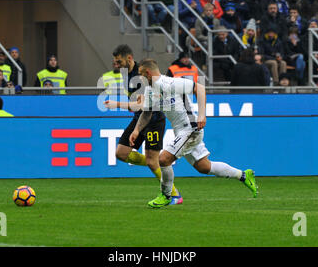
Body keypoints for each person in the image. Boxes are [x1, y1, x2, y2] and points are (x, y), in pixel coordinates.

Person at [129, 58, 257, 208]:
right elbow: (147, 113)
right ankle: (242, 175)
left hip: (190, 129)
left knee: (163, 159)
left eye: (141, 74)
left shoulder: (169, 83)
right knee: (204, 167)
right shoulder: (151, 90)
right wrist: (136, 130)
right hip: (181, 131)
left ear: (148, 73)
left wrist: (202, 115)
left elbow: (200, 88)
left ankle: (167, 195)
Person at [103, 44, 183, 205]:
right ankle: (151, 163)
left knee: (153, 161)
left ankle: (174, 194)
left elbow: (141, 105)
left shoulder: (141, 75)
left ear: (129, 58)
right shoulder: (126, 74)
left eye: (119, 62)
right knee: (121, 153)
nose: (116, 65)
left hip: (153, 120)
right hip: (139, 119)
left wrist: (116, 104)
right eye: (115, 62)